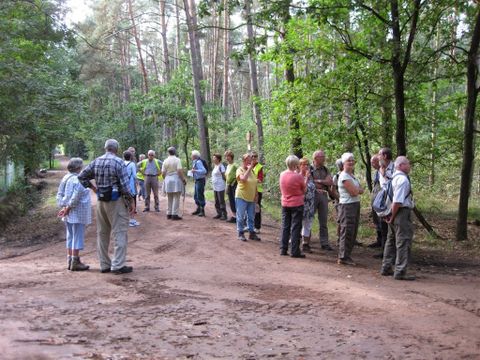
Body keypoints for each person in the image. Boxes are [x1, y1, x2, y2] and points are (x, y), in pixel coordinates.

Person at [78, 139, 135, 274]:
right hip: (116, 202)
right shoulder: (118, 162)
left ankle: (104, 264)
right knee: (119, 231)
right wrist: (131, 201)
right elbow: (125, 186)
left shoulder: (96, 161)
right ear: (116, 149)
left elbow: (81, 176)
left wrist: (93, 188)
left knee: (102, 233)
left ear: (105, 148)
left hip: (100, 201)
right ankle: (118, 265)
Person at [381, 156, 415, 280]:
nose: (409, 166)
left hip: (392, 212)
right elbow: (397, 201)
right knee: (403, 241)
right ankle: (400, 271)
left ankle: (386, 267)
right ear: (401, 165)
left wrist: (390, 215)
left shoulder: (393, 178)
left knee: (391, 240)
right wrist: (393, 216)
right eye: (407, 164)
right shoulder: (402, 180)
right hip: (400, 213)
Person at [57, 158, 92, 271]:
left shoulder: (65, 177)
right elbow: (76, 197)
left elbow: (59, 194)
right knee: (77, 236)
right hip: (77, 212)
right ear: (78, 168)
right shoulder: (78, 179)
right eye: (81, 166)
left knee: (70, 236)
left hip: (68, 211)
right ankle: (75, 262)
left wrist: (63, 206)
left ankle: (70, 260)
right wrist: (67, 208)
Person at [337, 152, 364, 266]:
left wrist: (357, 189)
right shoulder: (344, 176)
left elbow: (360, 189)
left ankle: (346, 255)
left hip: (354, 204)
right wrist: (358, 190)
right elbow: (354, 192)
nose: (351, 162)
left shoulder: (351, 176)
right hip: (347, 206)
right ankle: (343, 257)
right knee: (347, 231)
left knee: (352, 231)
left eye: (353, 160)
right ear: (344, 163)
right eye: (349, 161)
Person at [279, 155, 306, 258]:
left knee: (285, 225)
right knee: (295, 227)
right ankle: (294, 251)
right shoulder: (298, 176)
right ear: (296, 165)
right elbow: (304, 190)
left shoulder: (282, 174)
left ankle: (283, 248)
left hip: (285, 203)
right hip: (297, 203)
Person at [311, 150, 334, 251]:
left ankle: (324, 243)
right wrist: (318, 183)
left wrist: (319, 181)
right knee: (308, 219)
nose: (324, 158)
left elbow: (330, 182)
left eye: (324, 156)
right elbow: (310, 183)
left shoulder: (325, 169)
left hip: (324, 196)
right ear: (316, 158)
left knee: (323, 221)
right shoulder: (309, 169)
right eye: (322, 157)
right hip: (312, 196)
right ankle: (305, 241)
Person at [374, 147, 395, 258]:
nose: (378, 157)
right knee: (383, 228)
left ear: (385, 156)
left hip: (394, 203)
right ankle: (384, 252)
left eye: (379, 154)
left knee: (393, 229)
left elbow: (394, 184)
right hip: (383, 204)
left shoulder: (395, 168)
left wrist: (384, 174)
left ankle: (393, 254)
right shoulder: (380, 169)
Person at [235, 153, 261, 241]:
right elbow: (243, 179)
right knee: (241, 215)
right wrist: (249, 168)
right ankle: (240, 233)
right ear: (243, 161)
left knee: (251, 216)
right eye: (248, 160)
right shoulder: (240, 170)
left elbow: (254, 183)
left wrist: (256, 195)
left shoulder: (253, 171)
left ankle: (251, 233)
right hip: (241, 196)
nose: (250, 162)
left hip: (251, 198)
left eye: (251, 160)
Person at [162, 146, 186, 220]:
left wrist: (165, 179)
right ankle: (174, 214)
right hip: (176, 179)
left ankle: (169, 213)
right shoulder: (177, 160)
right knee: (176, 197)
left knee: (170, 197)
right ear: (175, 152)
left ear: (168, 152)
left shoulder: (165, 160)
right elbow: (179, 171)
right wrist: (183, 179)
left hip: (168, 179)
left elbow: (163, 172)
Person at [299, 157, 316, 254]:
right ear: (299, 166)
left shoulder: (310, 177)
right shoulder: (299, 176)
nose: (306, 166)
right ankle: (296, 242)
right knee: (299, 224)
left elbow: (311, 188)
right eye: (304, 164)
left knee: (308, 224)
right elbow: (302, 190)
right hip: (301, 203)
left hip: (310, 204)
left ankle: (305, 244)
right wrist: (306, 177)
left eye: (307, 164)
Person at [368, 154, 383, 248]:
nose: (372, 164)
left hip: (381, 201)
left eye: (374, 162)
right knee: (376, 220)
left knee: (381, 221)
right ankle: (379, 240)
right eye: (371, 163)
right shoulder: (376, 173)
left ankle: (383, 244)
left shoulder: (384, 172)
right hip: (375, 200)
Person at [124, 150, 139, 227]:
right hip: (131, 185)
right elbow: (134, 175)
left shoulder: (121, 163)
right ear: (130, 157)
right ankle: (132, 220)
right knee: (132, 201)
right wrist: (137, 182)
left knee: (124, 202)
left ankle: (125, 220)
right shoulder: (132, 164)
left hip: (123, 185)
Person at [191, 150, 207, 217]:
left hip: (200, 180)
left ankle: (202, 210)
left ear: (194, 156)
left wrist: (195, 171)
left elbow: (204, 171)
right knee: (196, 195)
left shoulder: (199, 162)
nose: (191, 156)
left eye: (192, 155)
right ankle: (198, 209)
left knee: (199, 195)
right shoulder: (195, 162)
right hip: (197, 180)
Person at [251, 151, 264, 233]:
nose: (253, 158)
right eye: (252, 156)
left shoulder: (259, 167)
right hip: (249, 190)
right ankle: (250, 225)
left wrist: (251, 180)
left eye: (255, 156)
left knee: (257, 208)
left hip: (258, 191)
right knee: (249, 208)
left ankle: (257, 227)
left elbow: (260, 180)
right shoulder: (249, 166)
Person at [211, 153, 227, 220]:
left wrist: (225, 183)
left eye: (214, 158)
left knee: (221, 200)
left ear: (218, 159)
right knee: (216, 200)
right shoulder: (215, 166)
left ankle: (224, 214)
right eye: (213, 158)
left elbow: (224, 176)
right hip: (215, 186)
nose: (213, 159)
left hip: (220, 186)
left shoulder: (221, 166)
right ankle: (219, 213)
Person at [224, 150, 238, 223]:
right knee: (231, 201)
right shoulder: (228, 166)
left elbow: (239, 174)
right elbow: (227, 176)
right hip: (228, 185)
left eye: (228, 156)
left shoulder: (235, 165)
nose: (227, 158)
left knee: (236, 201)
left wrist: (234, 182)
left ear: (231, 157)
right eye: (226, 156)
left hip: (234, 185)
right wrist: (226, 185)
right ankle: (234, 216)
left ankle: (239, 217)